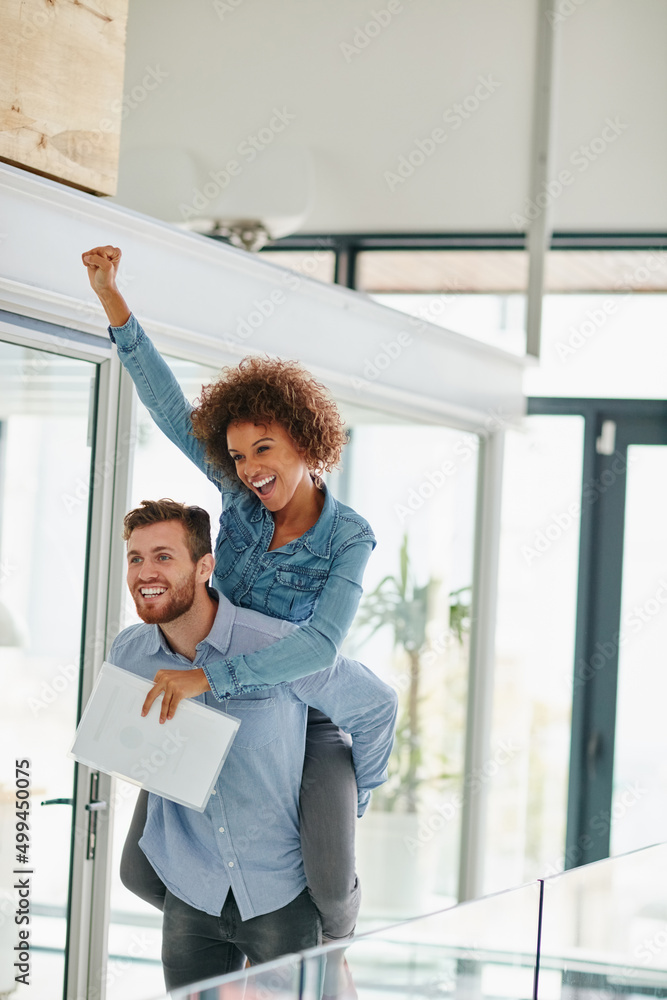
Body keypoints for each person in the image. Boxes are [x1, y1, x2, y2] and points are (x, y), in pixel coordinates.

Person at [81, 247, 377, 970]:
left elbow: (319, 651)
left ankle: (332, 951)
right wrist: (114, 303)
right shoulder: (239, 499)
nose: (249, 470)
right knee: (140, 867)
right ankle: (218, 917)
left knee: (330, 877)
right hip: (217, 680)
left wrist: (209, 681)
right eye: (239, 456)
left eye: (264, 450)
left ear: (307, 445)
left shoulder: (348, 535)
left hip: (303, 709)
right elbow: (166, 408)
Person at [109, 499, 397, 991]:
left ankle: (338, 945)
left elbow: (376, 707)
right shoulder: (129, 653)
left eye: (163, 556)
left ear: (205, 567)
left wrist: (359, 796)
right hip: (192, 888)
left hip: (278, 893)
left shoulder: (274, 645)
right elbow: (131, 743)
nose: (145, 571)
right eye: (135, 558)